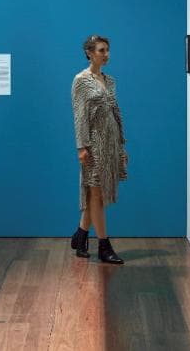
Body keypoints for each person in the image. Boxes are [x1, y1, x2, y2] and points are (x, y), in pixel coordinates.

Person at [70, 35, 128, 264]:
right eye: (102, 50)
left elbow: (116, 113)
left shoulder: (110, 80)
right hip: (93, 145)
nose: (106, 54)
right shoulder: (81, 80)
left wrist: (121, 144)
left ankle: (80, 235)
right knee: (96, 193)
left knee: (98, 195)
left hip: (111, 142)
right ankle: (104, 246)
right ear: (90, 53)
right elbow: (80, 115)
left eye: (108, 50)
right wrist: (82, 146)